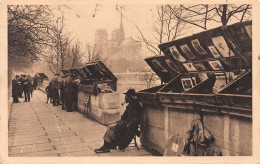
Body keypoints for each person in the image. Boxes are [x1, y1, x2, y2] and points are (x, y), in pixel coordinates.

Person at [94, 89, 142, 153]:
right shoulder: (130, 105)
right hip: (125, 123)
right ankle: (110, 145)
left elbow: (135, 119)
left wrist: (126, 124)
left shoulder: (135, 106)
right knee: (109, 124)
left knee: (111, 127)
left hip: (130, 127)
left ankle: (106, 147)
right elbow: (124, 117)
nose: (125, 98)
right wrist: (116, 122)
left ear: (130, 97)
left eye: (126, 96)